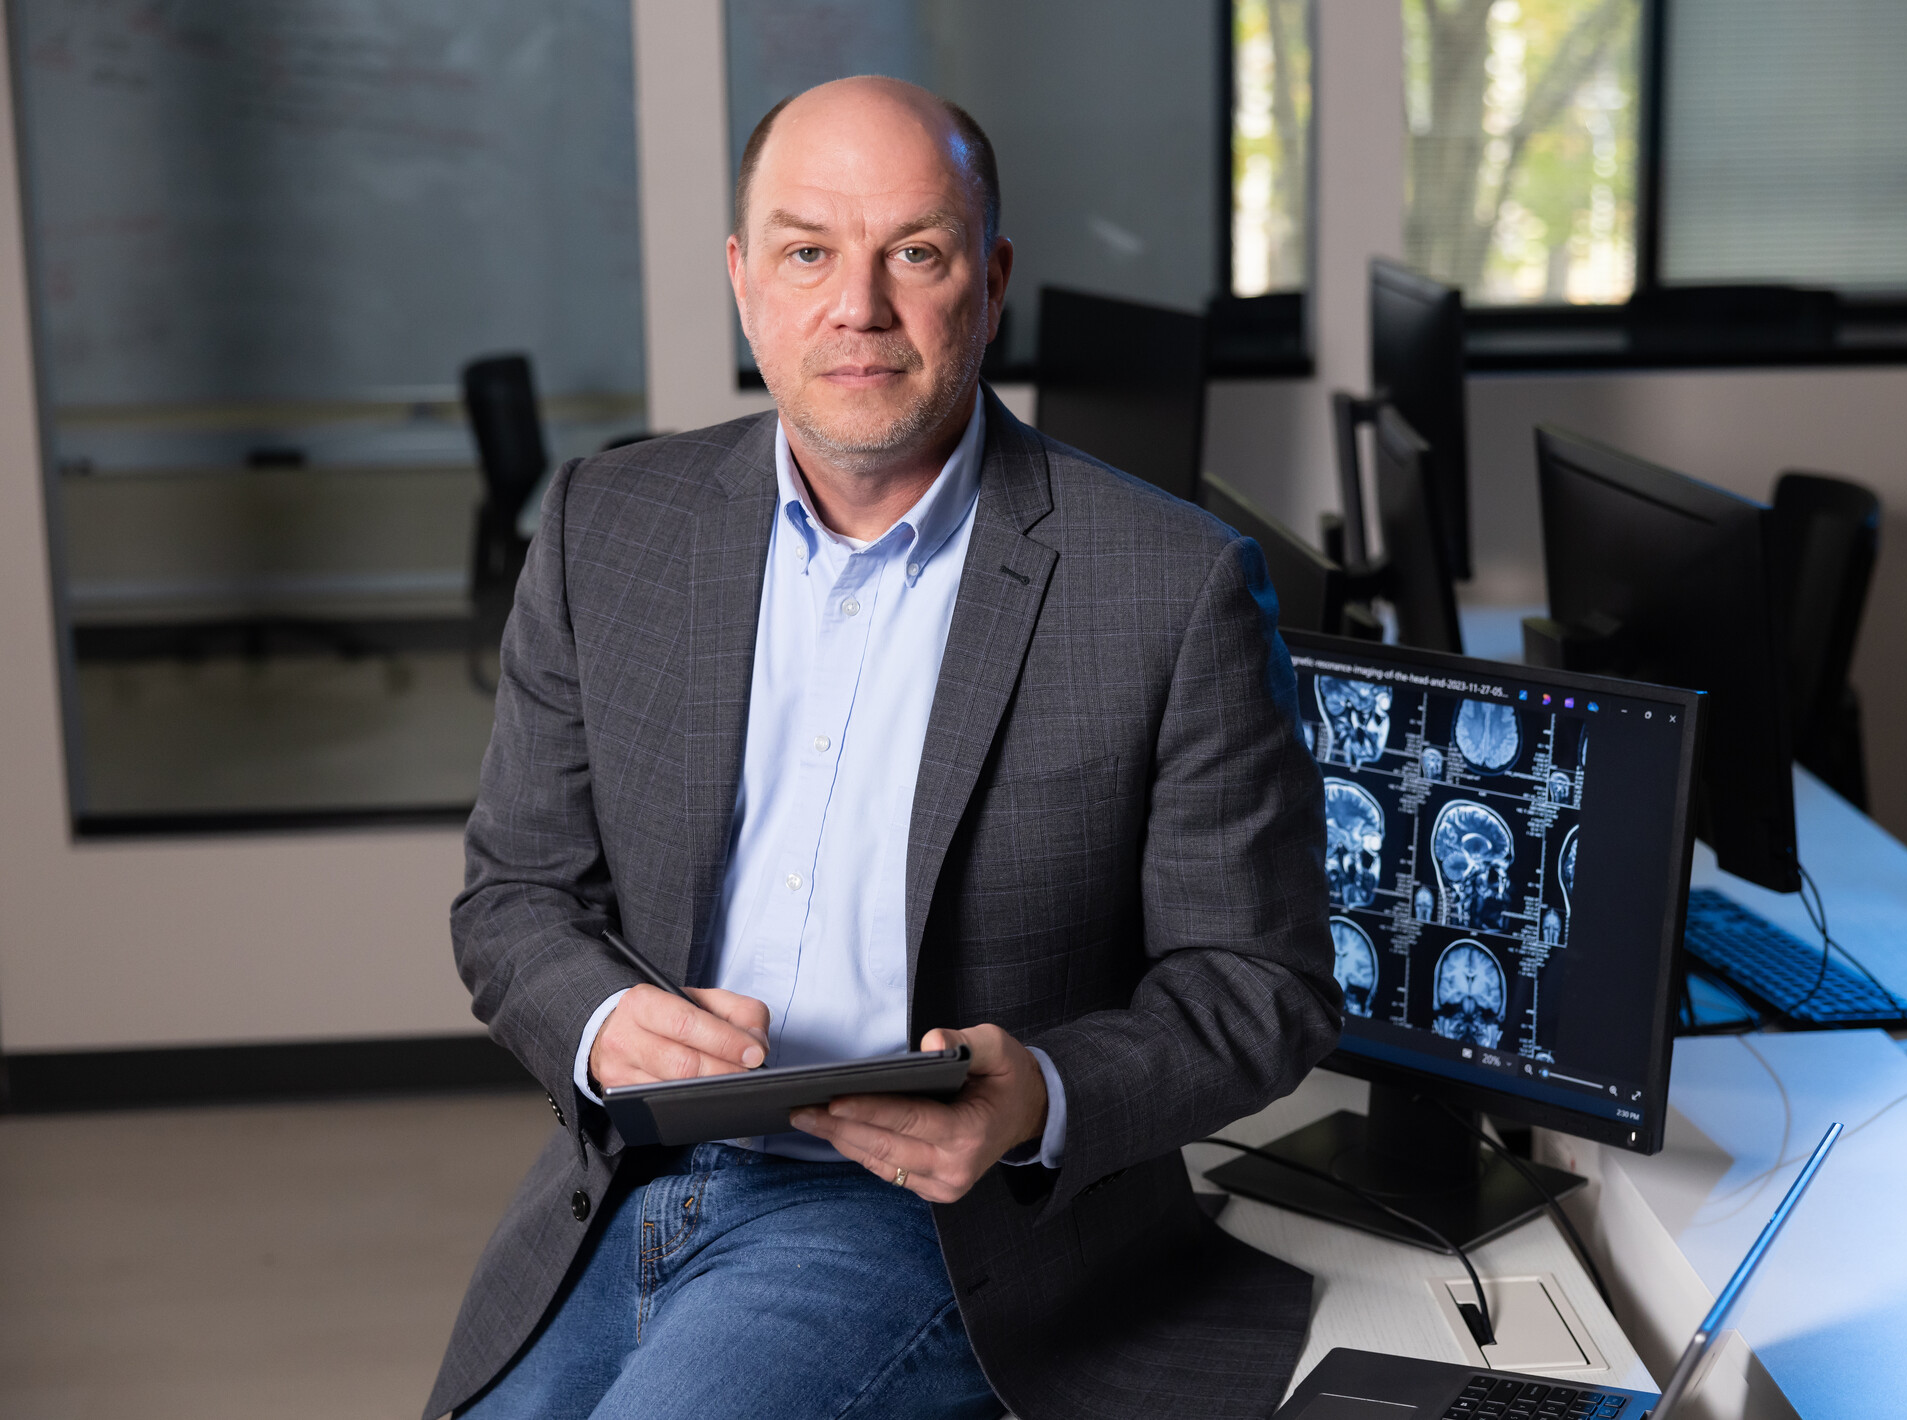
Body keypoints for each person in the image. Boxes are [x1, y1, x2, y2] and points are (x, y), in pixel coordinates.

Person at [426, 76, 1337, 1420]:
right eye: (808, 253)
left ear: (992, 277)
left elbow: (1261, 983)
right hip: (624, 1182)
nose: (859, 305)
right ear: (745, 282)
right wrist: (612, 1026)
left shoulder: (1172, 583)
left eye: (915, 252)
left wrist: (1038, 1095)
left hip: (933, 1224)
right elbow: (514, 902)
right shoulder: (603, 527)